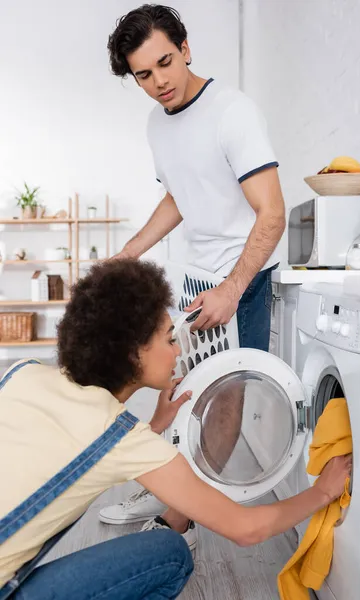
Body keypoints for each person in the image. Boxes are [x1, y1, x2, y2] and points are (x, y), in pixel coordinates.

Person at [0, 260, 351, 600]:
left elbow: (77, 452)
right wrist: (321, 492)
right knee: (171, 551)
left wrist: (154, 425)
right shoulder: (117, 436)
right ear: (134, 354)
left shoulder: (22, 372)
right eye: (169, 339)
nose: (179, 349)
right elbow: (245, 529)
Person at [100, 2, 286, 526]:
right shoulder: (158, 126)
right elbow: (179, 197)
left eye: (165, 62)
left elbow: (272, 213)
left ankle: (178, 526)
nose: (158, 81)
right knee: (180, 394)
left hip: (240, 282)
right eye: (143, 74)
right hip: (197, 281)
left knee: (220, 403)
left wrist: (232, 288)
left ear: (185, 49)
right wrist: (127, 253)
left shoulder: (233, 112)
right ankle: (170, 488)